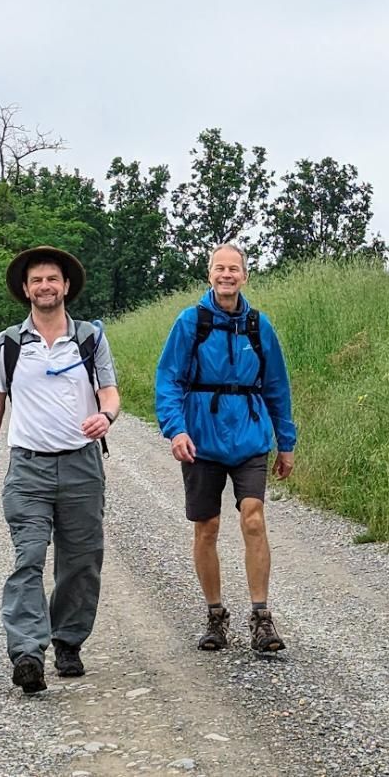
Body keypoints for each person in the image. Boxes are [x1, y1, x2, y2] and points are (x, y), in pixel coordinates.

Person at [0, 246, 121, 694]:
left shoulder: (90, 339)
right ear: (25, 289)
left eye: (52, 279)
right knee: (29, 558)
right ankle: (26, 653)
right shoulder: (8, 344)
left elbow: (111, 393)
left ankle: (67, 642)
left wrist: (106, 417)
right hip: (28, 469)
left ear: (66, 286)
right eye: (36, 280)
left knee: (81, 563)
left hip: (82, 466)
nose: (44, 286)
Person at [154, 243, 297, 654]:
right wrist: (176, 430)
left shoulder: (258, 325)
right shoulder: (190, 322)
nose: (227, 275)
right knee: (207, 527)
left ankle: (261, 616)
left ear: (245, 276)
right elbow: (169, 381)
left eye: (234, 269)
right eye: (220, 268)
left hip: (250, 437)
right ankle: (216, 615)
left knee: (253, 519)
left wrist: (285, 443)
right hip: (201, 439)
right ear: (209, 275)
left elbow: (276, 388)